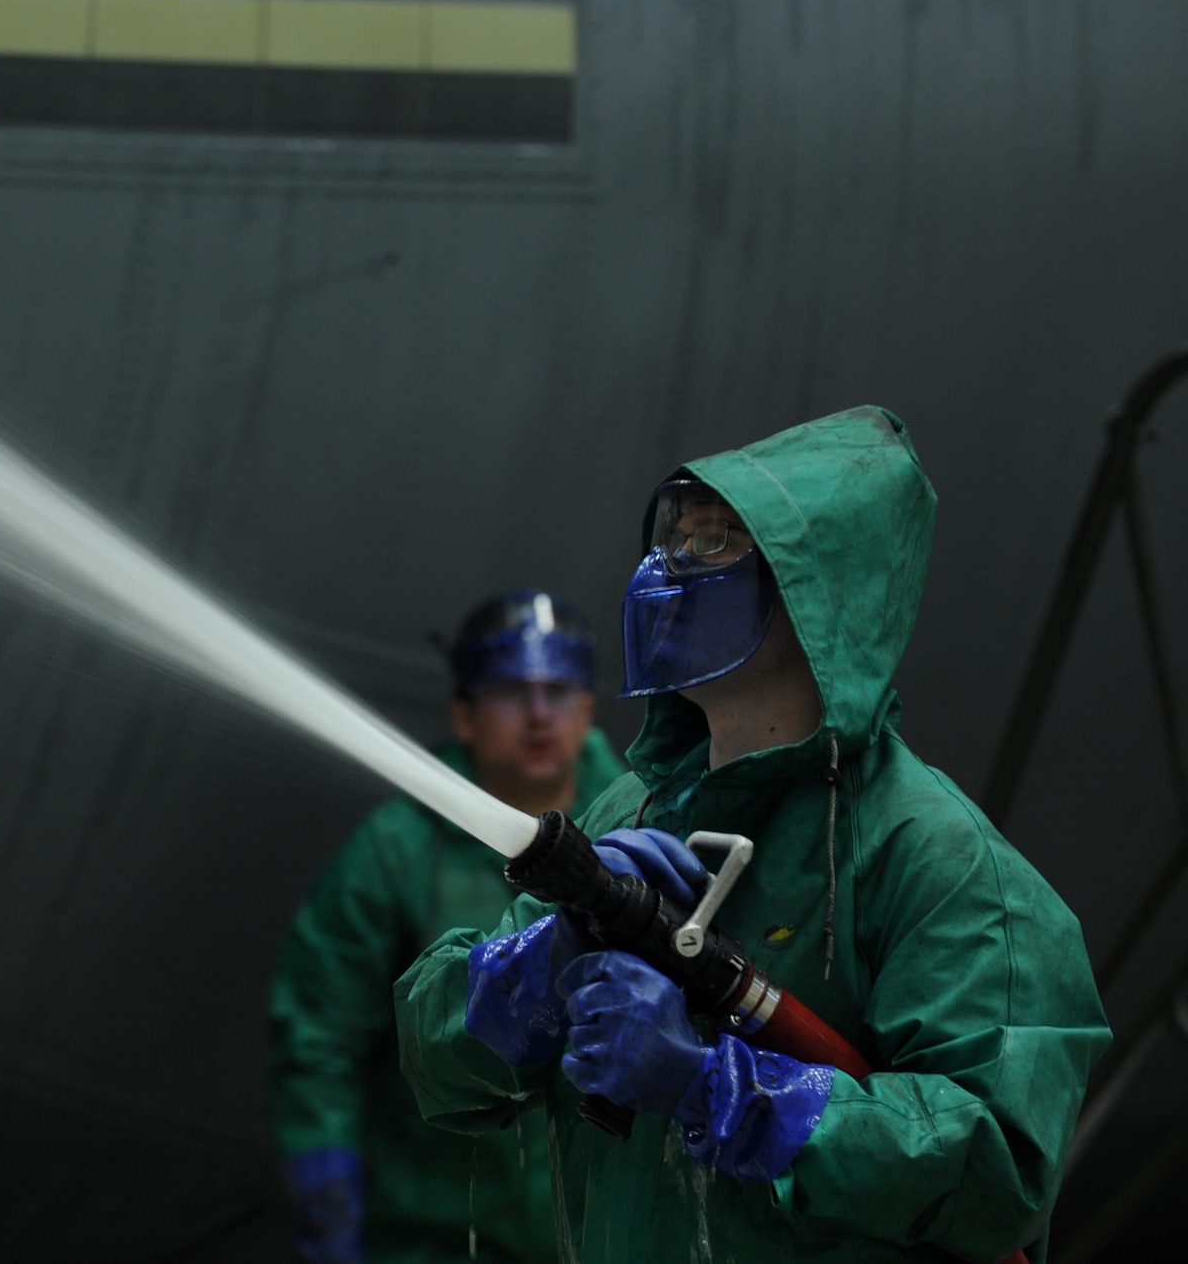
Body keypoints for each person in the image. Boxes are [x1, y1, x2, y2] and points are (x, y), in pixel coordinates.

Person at [394, 406, 1111, 1262]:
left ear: (817, 586)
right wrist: (543, 960)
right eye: (673, 537)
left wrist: (715, 1088)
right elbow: (438, 1064)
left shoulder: (945, 867)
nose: (668, 570)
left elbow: (997, 1168)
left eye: (713, 543)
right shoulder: (629, 812)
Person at [270, 591, 626, 1264]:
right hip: (433, 1235)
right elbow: (319, 1040)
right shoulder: (396, 850)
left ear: (588, 708)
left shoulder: (643, 823)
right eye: (511, 692)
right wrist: (326, 1185)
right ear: (464, 714)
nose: (540, 714)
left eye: (559, 689)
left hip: (603, 1237)